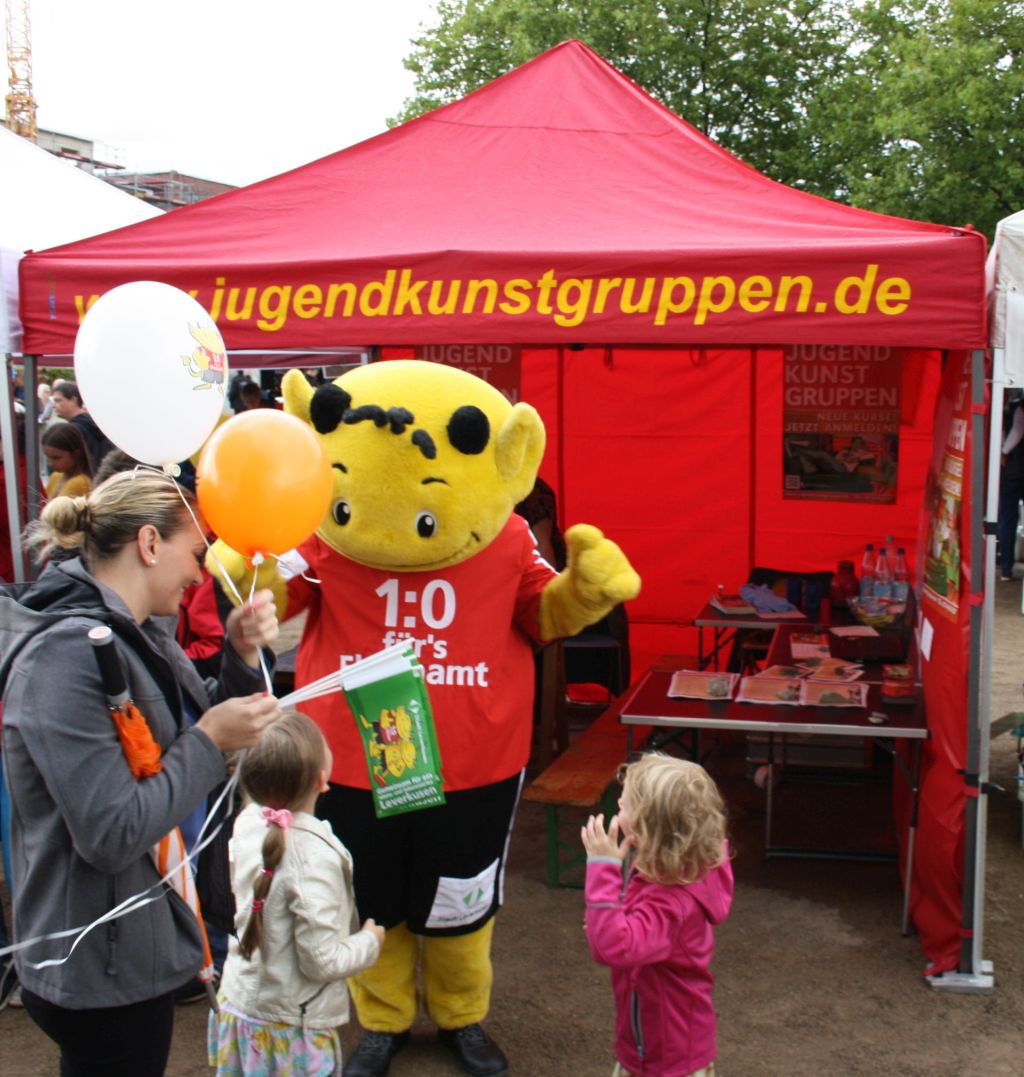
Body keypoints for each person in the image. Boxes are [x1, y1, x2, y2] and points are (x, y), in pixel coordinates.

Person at [0, 469, 282, 1077]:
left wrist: (239, 655)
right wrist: (210, 741)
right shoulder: (65, 655)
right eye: (197, 553)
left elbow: (180, 734)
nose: (200, 575)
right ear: (150, 544)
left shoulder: (131, 630)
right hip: (98, 965)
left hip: (123, 947)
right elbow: (111, 830)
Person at [208, 711, 384, 1076]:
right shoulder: (314, 859)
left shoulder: (248, 823)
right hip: (290, 1028)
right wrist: (369, 941)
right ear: (322, 780)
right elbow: (321, 961)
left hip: (239, 1005)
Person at [581, 753, 733, 1077]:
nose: (618, 804)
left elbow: (613, 948)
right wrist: (609, 920)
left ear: (646, 828)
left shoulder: (671, 901)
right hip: (659, 1043)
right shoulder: (675, 866)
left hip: (665, 1058)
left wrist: (602, 868)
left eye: (624, 805)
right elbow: (633, 926)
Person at [50, 379, 116, 473]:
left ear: (73, 400)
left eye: (58, 400)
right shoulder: (93, 422)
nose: (54, 406)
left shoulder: (76, 428)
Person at [999, 392, 1024, 580]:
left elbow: (1017, 430)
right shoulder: (1017, 406)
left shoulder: (1014, 407)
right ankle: (1006, 568)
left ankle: (1006, 568)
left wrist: (1003, 452)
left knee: (1008, 519)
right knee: (1008, 519)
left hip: (1012, 471)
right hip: (1014, 470)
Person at [42, 421, 93, 500]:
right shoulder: (56, 476)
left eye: (56, 458)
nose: (50, 463)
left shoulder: (79, 483)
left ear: (76, 454)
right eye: (47, 457)